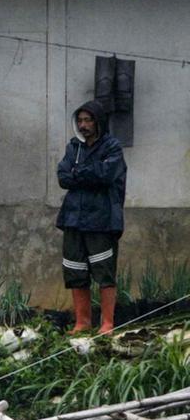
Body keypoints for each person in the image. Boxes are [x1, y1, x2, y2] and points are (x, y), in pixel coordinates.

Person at [57, 98, 126, 334]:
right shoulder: (73, 148)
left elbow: (105, 175)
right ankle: (82, 322)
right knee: (75, 271)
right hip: (73, 219)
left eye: (88, 120)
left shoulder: (112, 147)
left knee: (104, 272)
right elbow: (63, 177)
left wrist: (80, 173)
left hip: (101, 220)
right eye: (80, 120)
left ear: (98, 122)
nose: (83, 125)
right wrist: (85, 174)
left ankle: (107, 324)